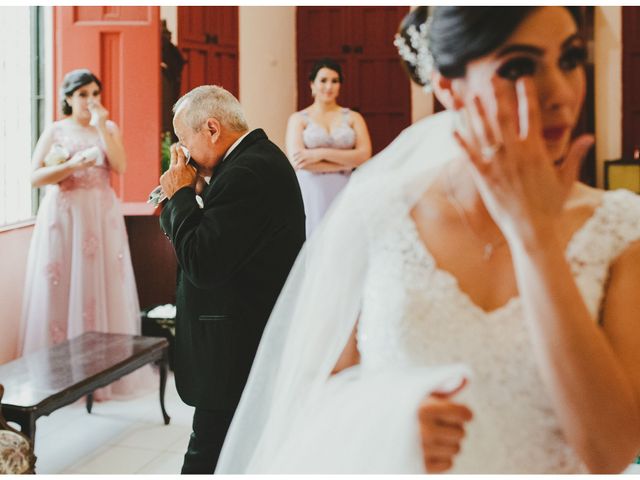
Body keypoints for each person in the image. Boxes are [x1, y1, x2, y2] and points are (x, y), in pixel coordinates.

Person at [216, 6, 640, 474]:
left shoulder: (620, 228)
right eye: (519, 67)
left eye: (569, 59)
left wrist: (535, 239)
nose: (560, 94)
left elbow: (612, 452)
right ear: (448, 88)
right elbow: (305, 397)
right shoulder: (378, 213)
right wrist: (386, 422)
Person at [158, 85, 305, 473]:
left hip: (236, 346)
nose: (182, 151)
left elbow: (202, 263)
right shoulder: (251, 162)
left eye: (182, 138)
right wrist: (185, 198)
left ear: (210, 128)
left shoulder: (247, 173)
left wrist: (181, 197)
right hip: (244, 338)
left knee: (207, 456)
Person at [19, 69, 148, 400]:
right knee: (62, 286)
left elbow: (119, 166)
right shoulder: (56, 130)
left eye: (94, 93)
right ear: (68, 98)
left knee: (101, 284)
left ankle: (104, 372)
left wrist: (103, 127)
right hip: (65, 216)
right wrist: (72, 166)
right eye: (83, 94)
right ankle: (61, 373)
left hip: (101, 216)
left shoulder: (108, 128)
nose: (90, 100)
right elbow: (35, 177)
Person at [285, 58, 372, 236]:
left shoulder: (354, 117)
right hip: (311, 189)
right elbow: (298, 160)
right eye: (323, 80)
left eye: (335, 81)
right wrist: (346, 162)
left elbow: (364, 155)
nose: (329, 86)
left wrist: (318, 153)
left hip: (346, 186)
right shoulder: (298, 119)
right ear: (312, 84)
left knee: (344, 237)